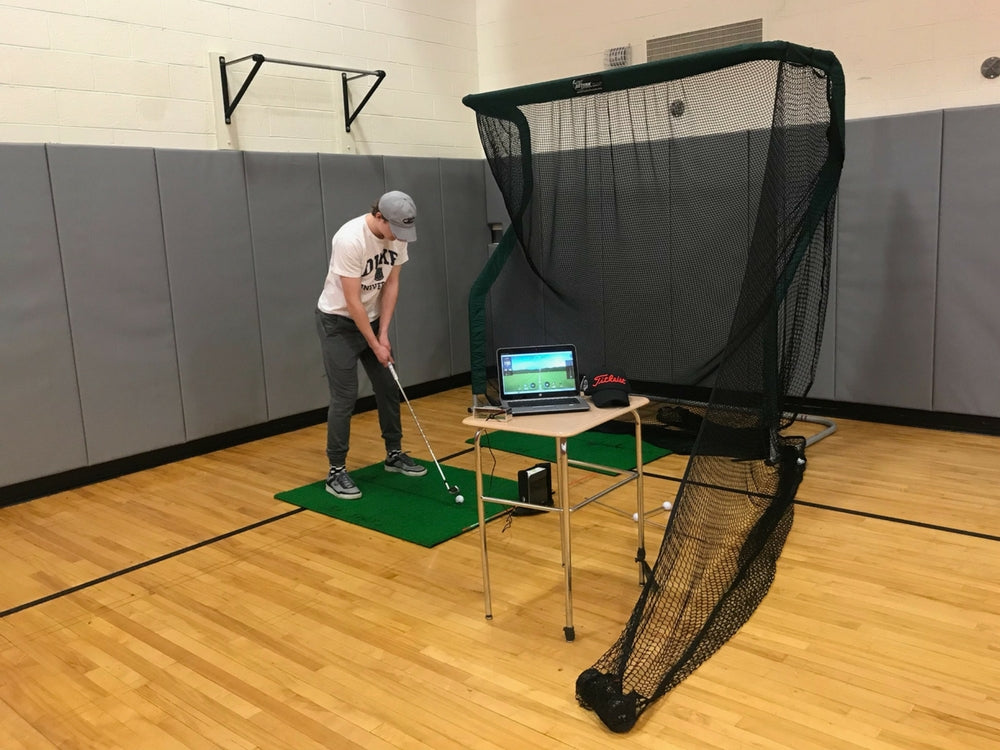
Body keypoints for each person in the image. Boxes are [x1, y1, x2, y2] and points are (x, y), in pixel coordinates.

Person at [315, 190, 427, 499]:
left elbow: (391, 284)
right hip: (338, 322)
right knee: (345, 396)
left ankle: (394, 453)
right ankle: (336, 470)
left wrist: (385, 334)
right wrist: (374, 343)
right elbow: (352, 302)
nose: (398, 236)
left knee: (388, 386)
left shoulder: (398, 235)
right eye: (394, 228)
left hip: (374, 318)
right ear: (379, 217)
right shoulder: (349, 239)